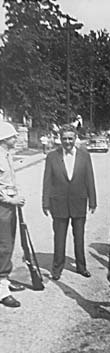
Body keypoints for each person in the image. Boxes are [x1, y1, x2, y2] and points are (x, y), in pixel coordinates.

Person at [42, 124, 97, 280]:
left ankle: (81, 267)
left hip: (79, 202)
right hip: (58, 203)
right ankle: (57, 268)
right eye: (64, 138)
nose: (67, 141)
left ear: (75, 138)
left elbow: (89, 179)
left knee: (79, 237)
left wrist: (93, 201)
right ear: (60, 139)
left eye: (70, 138)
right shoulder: (52, 156)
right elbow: (47, 181)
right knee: (59, 238)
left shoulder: (84, 156)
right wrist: (45, 202)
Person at [0, 122, 26, 308]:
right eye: (12, 136)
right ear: (3, 139)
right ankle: (2, 291)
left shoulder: (7, 155)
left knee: (9, 243)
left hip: (9, 205)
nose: (16, 139)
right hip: (2, 207)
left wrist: (16, 195)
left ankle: (4, 280)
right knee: (4, 246)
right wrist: (11, 200)